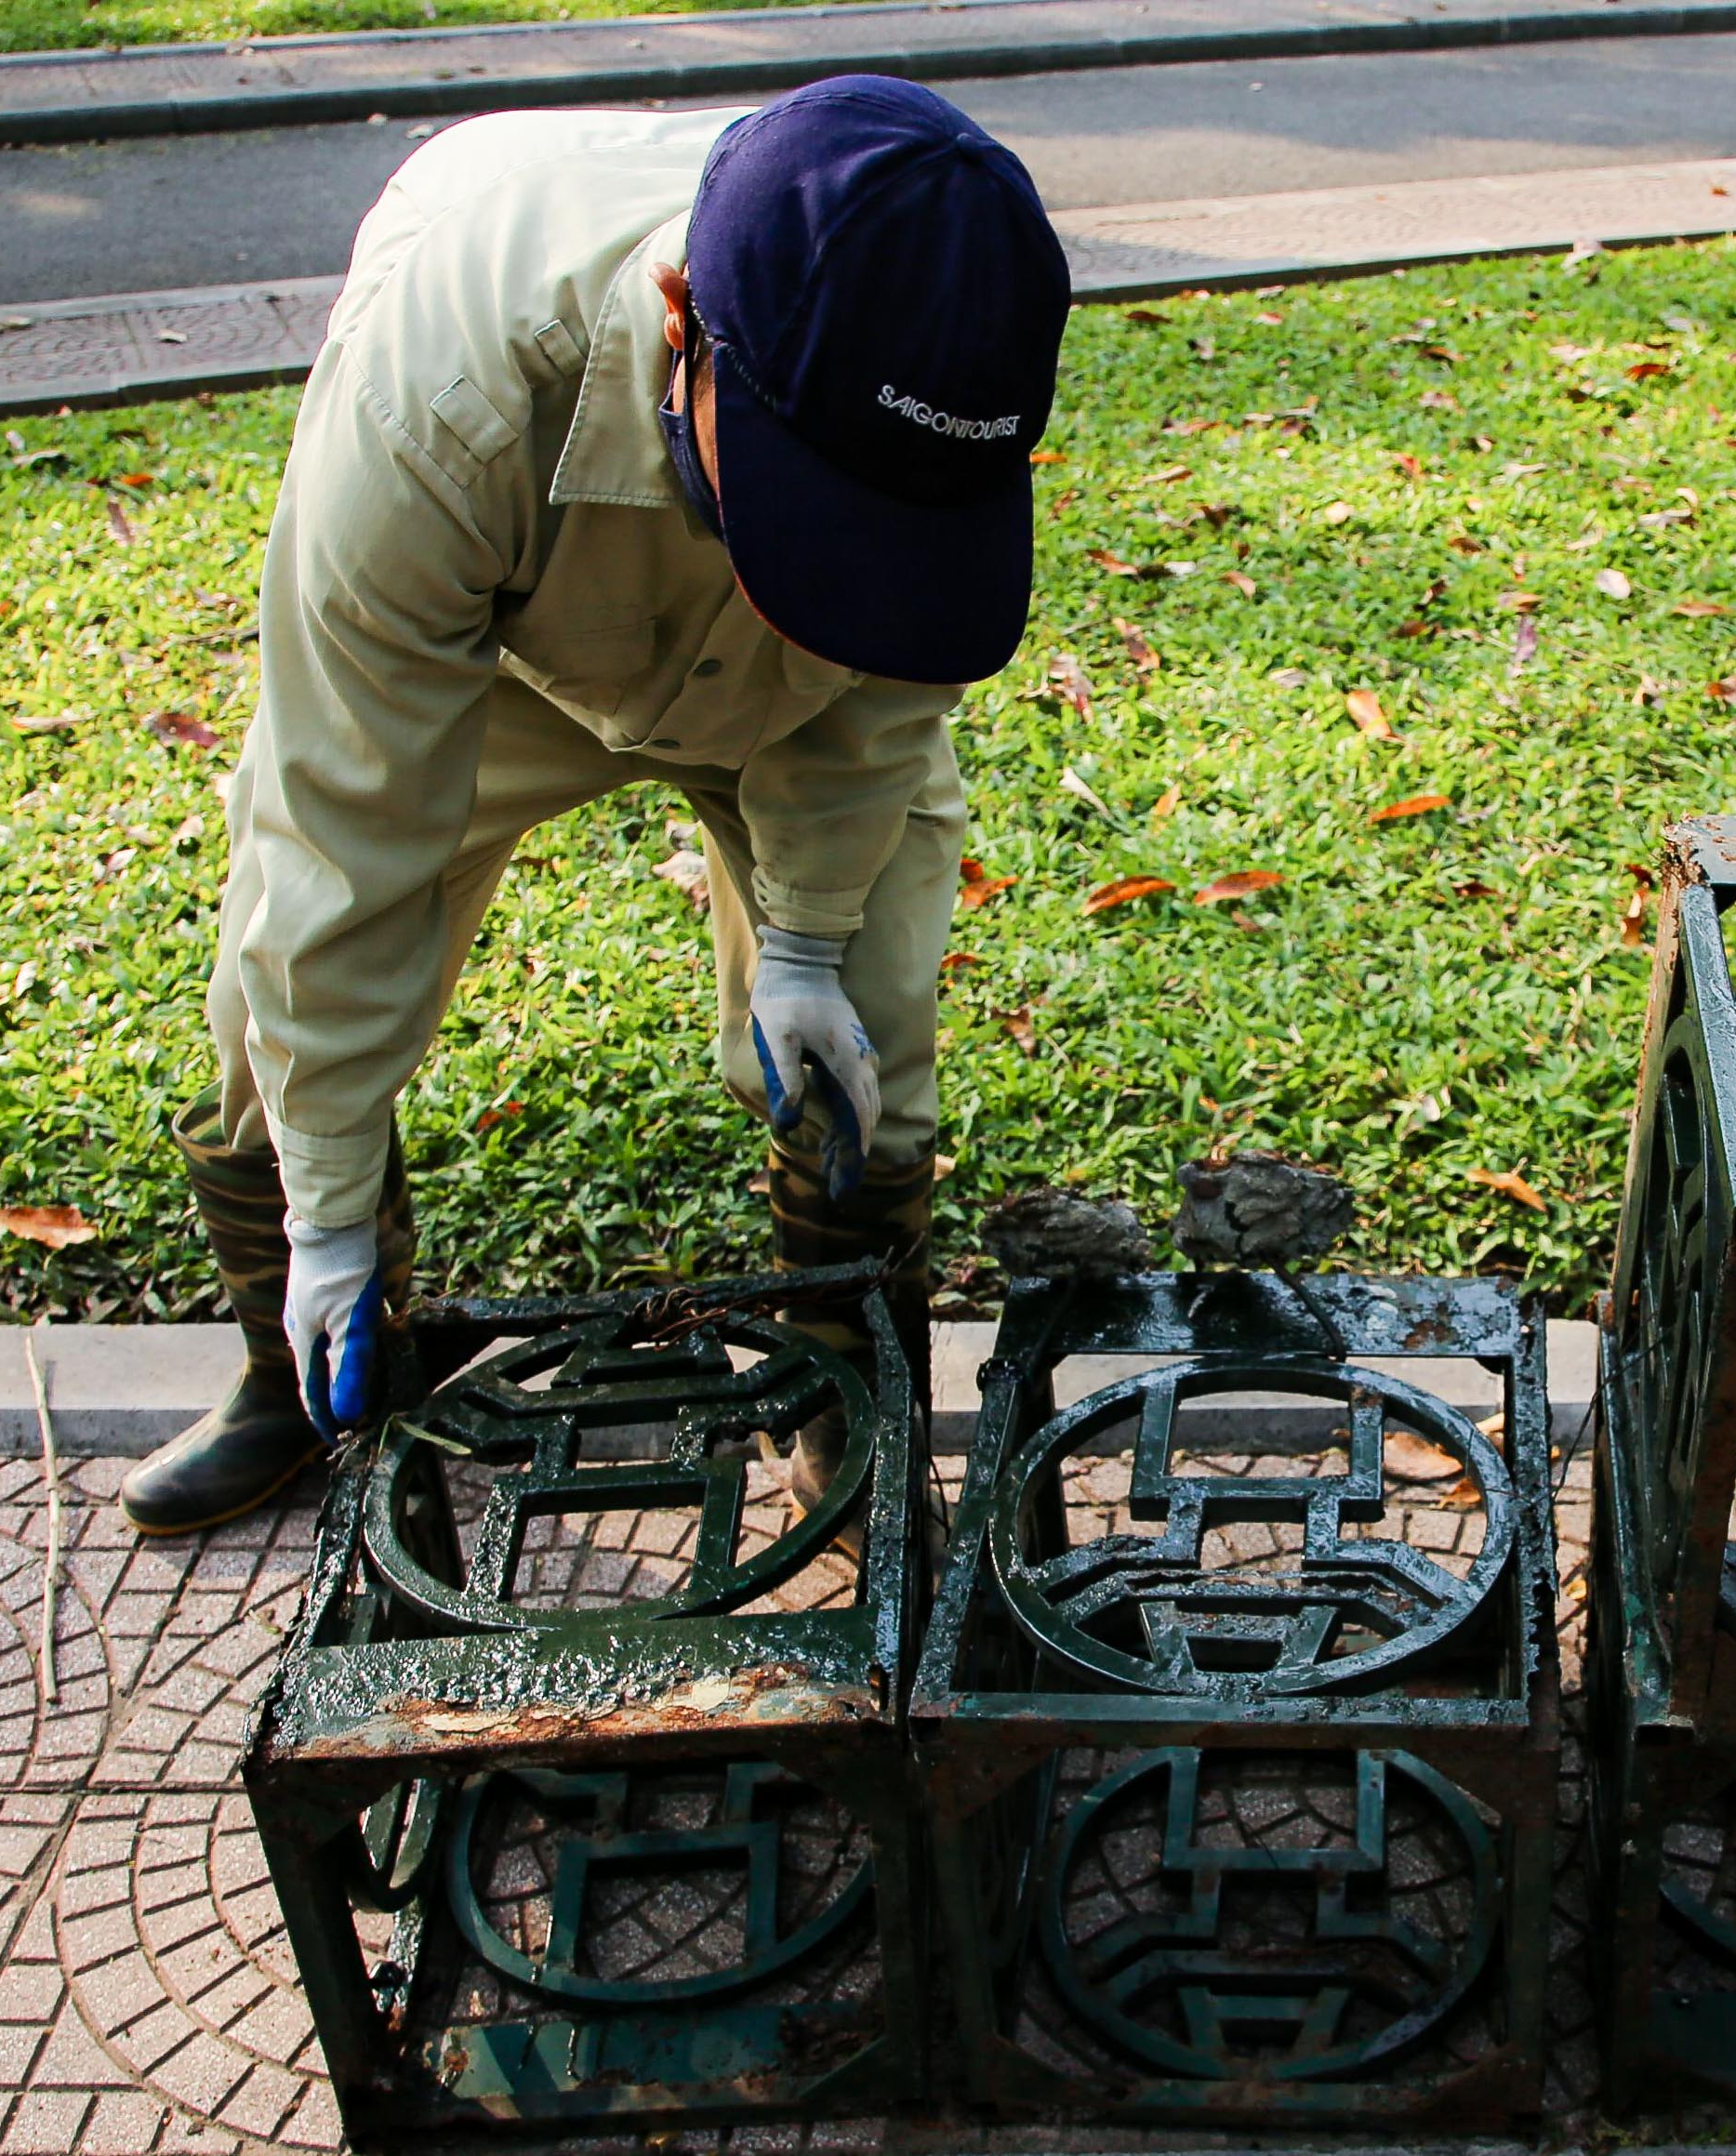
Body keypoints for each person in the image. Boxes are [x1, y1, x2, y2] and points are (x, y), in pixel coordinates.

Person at [119, 75, 1070, 1534]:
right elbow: (345, 826)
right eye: (802, 491)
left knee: (871, 1033)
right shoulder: (437, 397)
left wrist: (806, 943)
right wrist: (323, 1210)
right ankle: (290, 1365)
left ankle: (841, 1418)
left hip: (789, 691)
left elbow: (887, 682)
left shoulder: (936, 333)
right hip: (506, 625)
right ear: (680, 309)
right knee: (280, 1001)